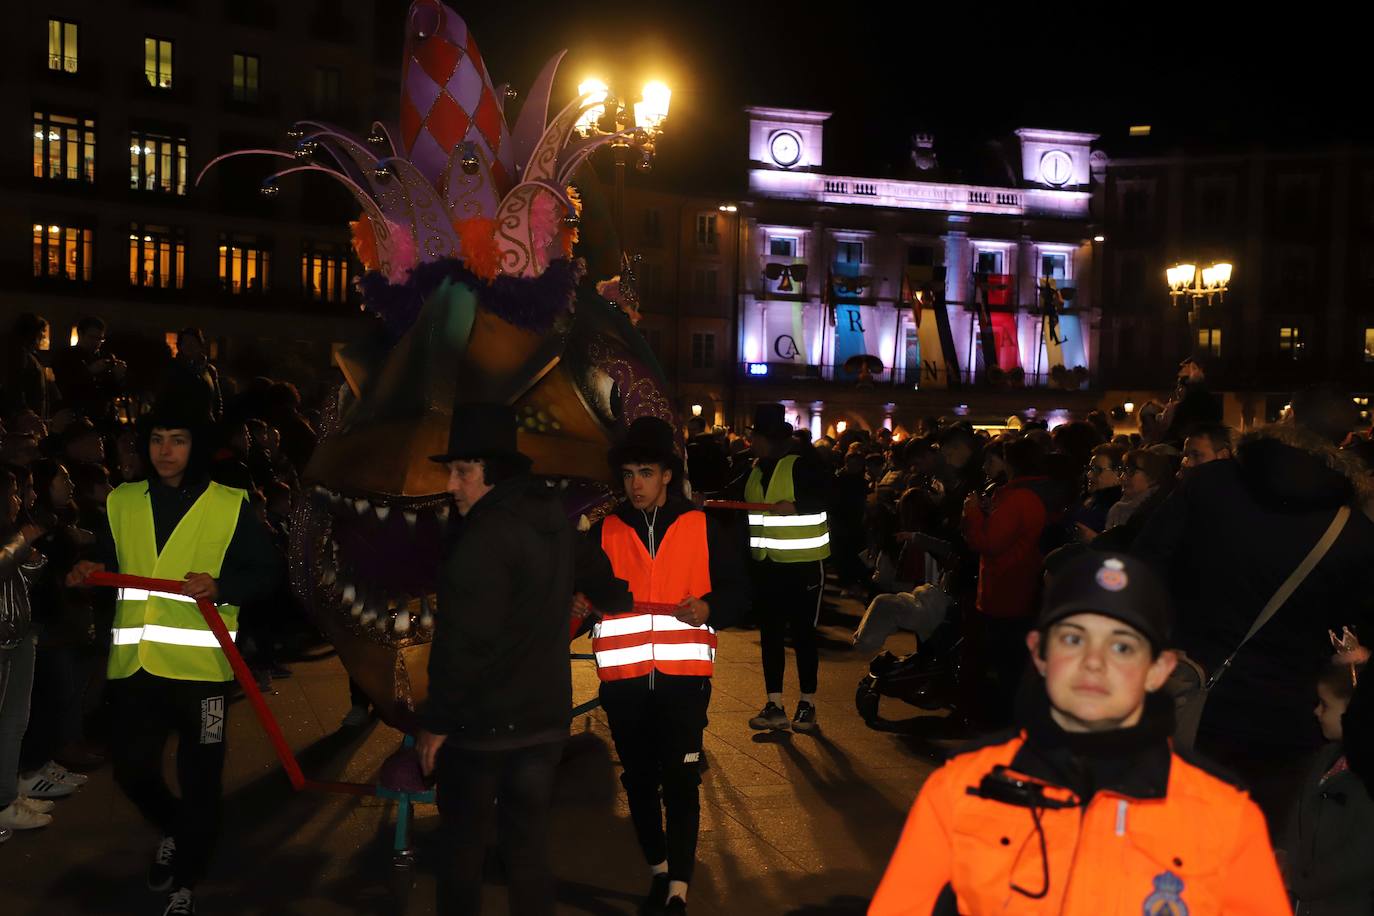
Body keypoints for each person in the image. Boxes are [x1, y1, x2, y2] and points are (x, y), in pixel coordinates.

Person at [869, 552, 1290, 916]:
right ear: (1039, 653)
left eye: (1122, 645)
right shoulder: (962, 791)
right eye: (1073, 638)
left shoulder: (1222, 815)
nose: (1093, 662)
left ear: (1160, 669)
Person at [66, 400, 282, 916]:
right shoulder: (122, 499)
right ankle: (174, 827)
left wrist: (223, 585)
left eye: (178, 439)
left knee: (202, 781)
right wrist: (89, 570)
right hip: (136, 669)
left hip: (202, 675)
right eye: (157, 439)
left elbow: (269, 573)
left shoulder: (230, 503)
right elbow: (116, 564)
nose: (165, 451)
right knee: (132, 772)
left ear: (196, 446)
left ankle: (187, 879)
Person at [1133, 410, 1374, 830]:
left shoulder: (1209, 484)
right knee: (1256, 838)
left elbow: (1146, 564)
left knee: (1171, 830)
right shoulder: (1351, 530)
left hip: (1189, 688)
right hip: (1290, 715)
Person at [576, 417, 747, 915]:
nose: (636, 484)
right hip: (624, 685)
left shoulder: (701, 525)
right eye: (628, 474)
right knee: (638, 780)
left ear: (668, 475)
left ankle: (678, 887)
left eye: (646, 472)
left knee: (681, 781)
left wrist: (710, 610)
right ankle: (657, 870)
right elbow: (581, 599)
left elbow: (741, 592)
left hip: (684, 684)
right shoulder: (604, 531)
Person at [414, 403, 575, 916]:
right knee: (526, 852)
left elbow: (464, 643)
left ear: (495, 473)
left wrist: (437, 722)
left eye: (463, 472)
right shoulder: (554, 519)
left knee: (462, 853)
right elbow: (595, 574)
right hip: (544, 722)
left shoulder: (482, 538)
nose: (452, 485)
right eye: (451, 472)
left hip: (483, 731)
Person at [735, 404, 832, 733]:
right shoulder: (756, 468)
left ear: (771, 439)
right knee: (771, 636)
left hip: (803, 567)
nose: (752, 443)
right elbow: (736, 496)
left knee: (804, 636)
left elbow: (828, 497)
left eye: (756, 437)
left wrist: (798, 506)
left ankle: (807, 703)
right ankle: (774, 703)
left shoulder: (804, 464)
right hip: (768, 567)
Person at [1285, 661, 1374, 915]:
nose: (1316, 712)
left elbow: (1361, 855)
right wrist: (1285, 857)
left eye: (1325, 705)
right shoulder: (1326, 757)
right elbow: (1299, 811)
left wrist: (1303, 882)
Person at [0, 470, 53, 834]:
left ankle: (6, 796)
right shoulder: (12, 536)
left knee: (15, 722)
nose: (21, 499)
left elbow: (19, 579)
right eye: (15, 493)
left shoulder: (9, 533)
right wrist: (23, 540)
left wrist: (32, 556)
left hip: (16, 636)